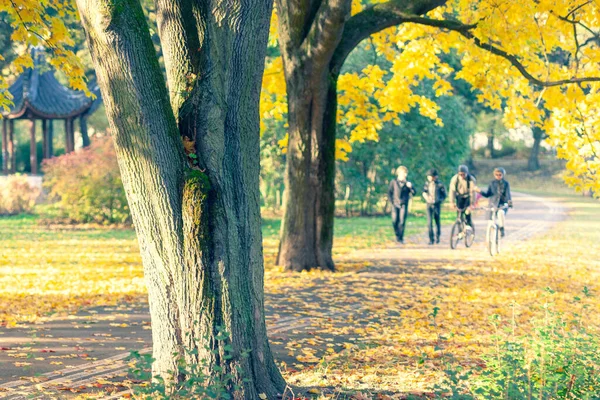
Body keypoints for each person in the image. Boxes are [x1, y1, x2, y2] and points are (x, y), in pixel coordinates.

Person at [477, 167, 513, 237]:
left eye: (500, 175)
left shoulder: (506, 184)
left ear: (503, 175)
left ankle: (502, 229)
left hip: (501, 204)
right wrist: (480, 191)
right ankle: (489, 238)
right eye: (496, 175)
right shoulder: (492, 183)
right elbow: (488, 194)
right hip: (493, 204)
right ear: (494, 175)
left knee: (501, 213)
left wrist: (509, 204)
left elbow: (508, 194)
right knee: (490, 220)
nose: (498, 176)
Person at [388, 166, 416, 243]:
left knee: (402, 221)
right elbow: (390, 193)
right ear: (399, 173)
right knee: (394, 221)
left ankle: (400, 238)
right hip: (395, 204)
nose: (405, 175)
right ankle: (397, 235)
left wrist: (411, 187)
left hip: (404, 204)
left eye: (405, 173)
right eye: (403, 173)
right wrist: (392, 202)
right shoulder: (393, 182)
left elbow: (414, 193)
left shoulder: (407, 183)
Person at [422, 168, 447, 245]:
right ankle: (431, 239)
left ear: (434, 177)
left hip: (437, 205)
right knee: (429, 222)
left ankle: (437, 237)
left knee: (437, 221)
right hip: (429, 205)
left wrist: (439, 200)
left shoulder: (440, 184)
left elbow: (444, 195)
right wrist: (427, 198)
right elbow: (424, 192)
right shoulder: (427, 184)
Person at [448, 164, 477, 230]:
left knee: (467, 212)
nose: (462, 176)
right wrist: (451, 202)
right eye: (460, 174)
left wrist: (472, 204)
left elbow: (473, 192)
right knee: (459, 213)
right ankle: (460, 230)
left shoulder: (471, 179)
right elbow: (452, 191)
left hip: (468, 196)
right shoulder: (454, 179)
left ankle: (469, 225)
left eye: (463, 174)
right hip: (459, 196)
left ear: (467, 173)